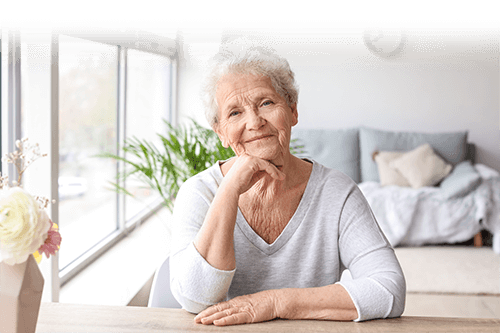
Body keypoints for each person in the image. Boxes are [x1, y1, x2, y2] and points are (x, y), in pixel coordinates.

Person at [169, 45, 406, 326]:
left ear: (292, 111)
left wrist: (275, 303)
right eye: (235, 113)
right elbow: (196, 298)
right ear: (220, 132)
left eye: (266, 103)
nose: (254, 122)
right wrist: (229, 190)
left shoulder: (337, 192)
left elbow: (388, 288)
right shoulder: (199, 192)